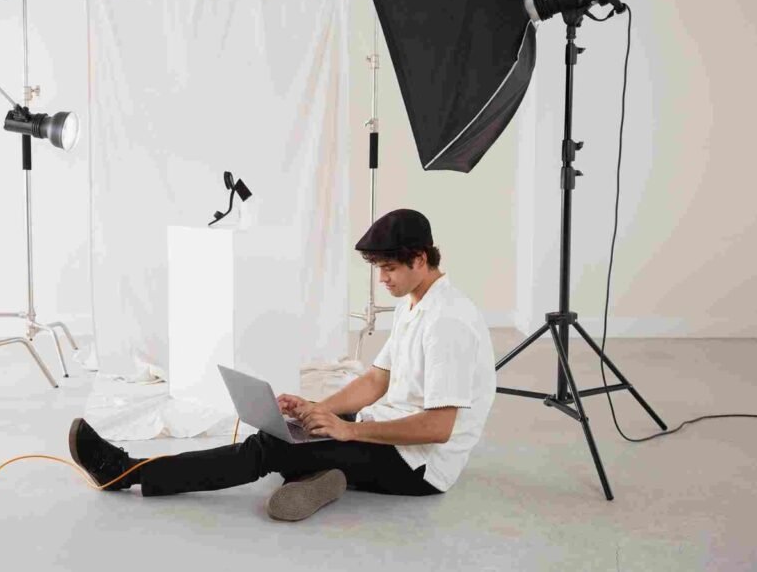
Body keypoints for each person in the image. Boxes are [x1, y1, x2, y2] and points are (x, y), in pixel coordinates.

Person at [68, 208, 496, 521]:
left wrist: (349, 429)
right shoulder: (415, 302)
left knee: (269, 448)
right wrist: (320, 409)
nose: (382, 279)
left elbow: (440, 427)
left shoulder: (448, 323)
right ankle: (322, 472)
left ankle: (125, 473)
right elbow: (376, 378)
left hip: (417, 467)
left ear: (420, 259)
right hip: (385, 430)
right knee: (292, 429)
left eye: (389, 268)